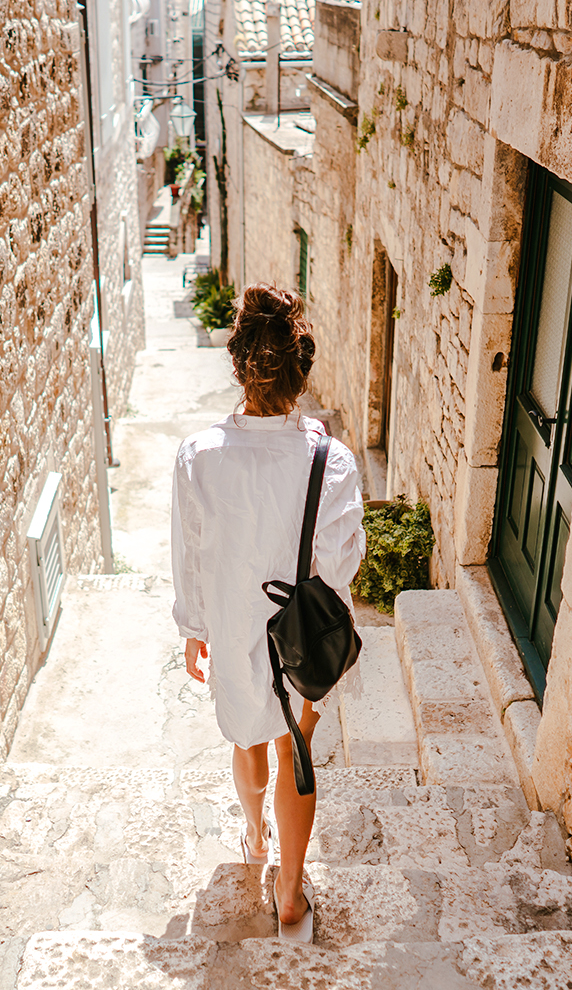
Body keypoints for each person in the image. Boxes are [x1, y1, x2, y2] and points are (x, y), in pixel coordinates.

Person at [170, 283, 366, 942]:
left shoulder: (198, 455)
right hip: (301, 637)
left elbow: (189, 551)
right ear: (301, 372)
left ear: (238, 365)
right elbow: (343, 564)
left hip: (228, 622)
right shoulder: (329, 460)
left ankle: (253, 838)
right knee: (296, 746)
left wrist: (194, 629)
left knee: (247, 738)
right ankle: (288, 892)